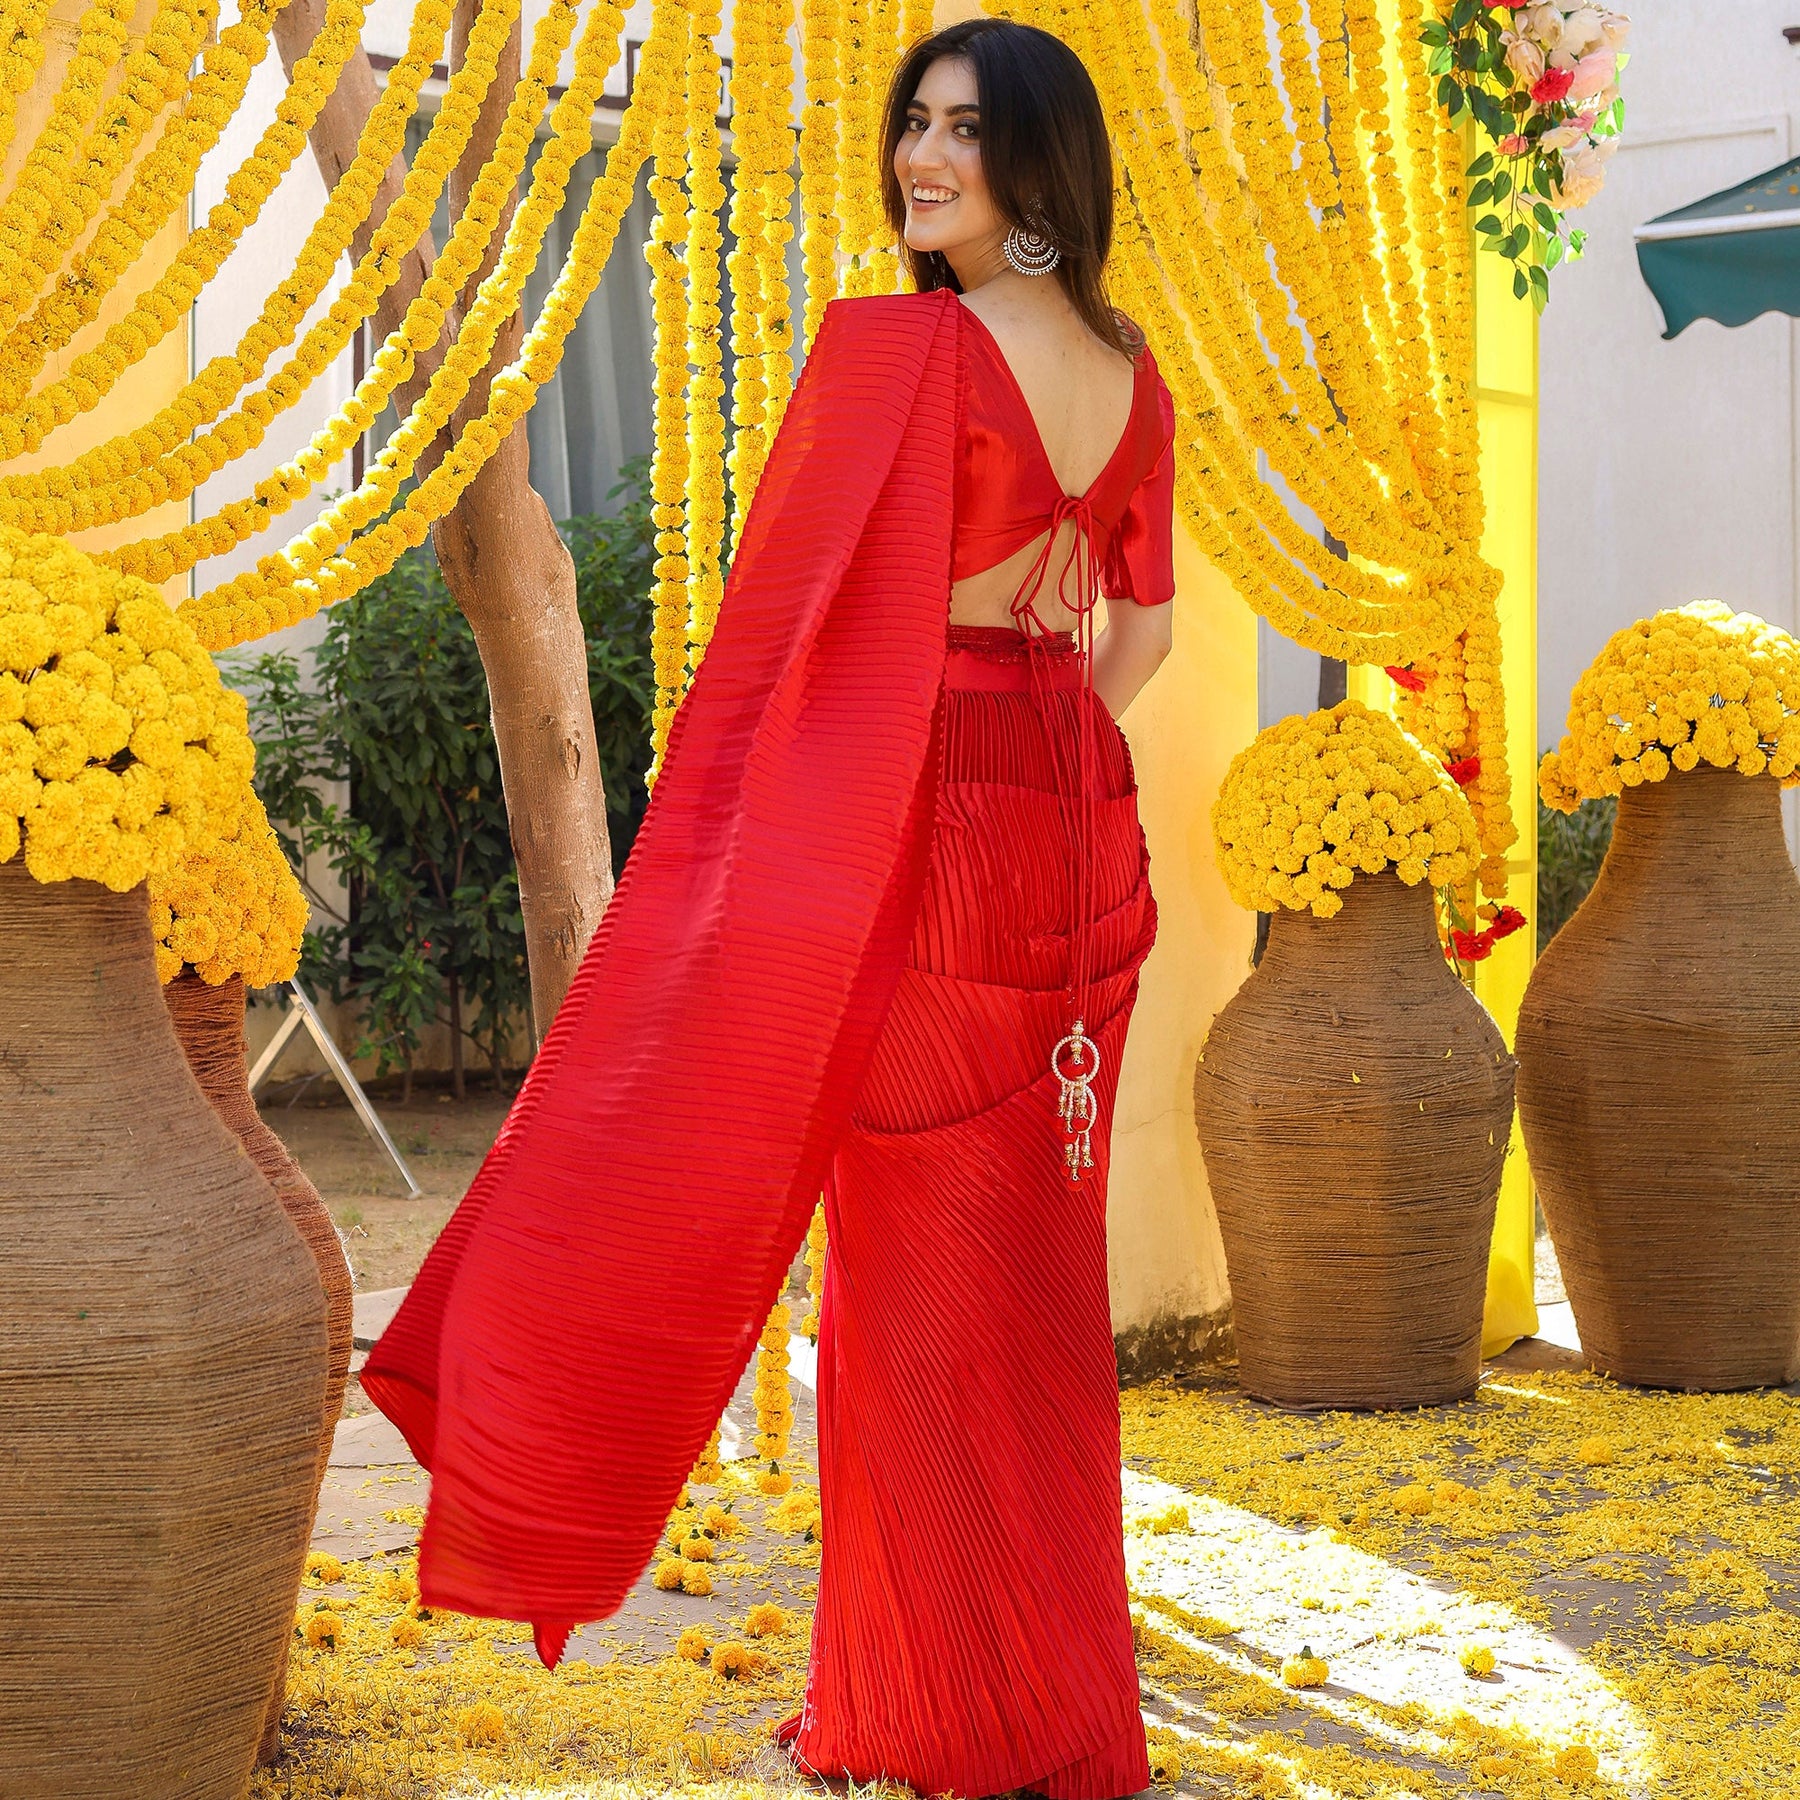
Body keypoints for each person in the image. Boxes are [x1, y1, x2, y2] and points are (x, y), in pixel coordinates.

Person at [362, 18, 1175, 1800]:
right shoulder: (1133, 374)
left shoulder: (904, 356)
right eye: (915, 128)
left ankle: (922, 1707)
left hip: (925, 848)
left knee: (909, 1296)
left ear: (1040, 159)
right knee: (1034, 1290)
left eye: (963, 133)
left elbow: (783, 657)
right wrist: (1034, 750)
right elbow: (1143, 638)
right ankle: (1051, 1708)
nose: (921, 159)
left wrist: (800, 835)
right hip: (1077, 854)